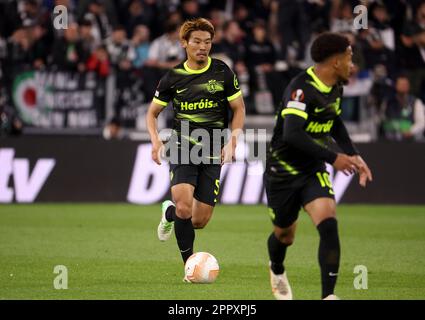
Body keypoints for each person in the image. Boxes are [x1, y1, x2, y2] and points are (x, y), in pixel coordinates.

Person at [263, 32, 373, 300]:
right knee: (285, 235)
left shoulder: (336, 86)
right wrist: (334, 158)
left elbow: (333, 120)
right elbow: (292, 133)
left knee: (328, 223)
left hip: (313, 170)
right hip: (283, 171)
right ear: (335, 62)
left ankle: (328, 296)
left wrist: (353, 154)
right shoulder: (301, 88)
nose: (353, 64)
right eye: (349, 58)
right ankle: (276, 268)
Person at [146, 18, 245, 281]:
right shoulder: (173, 77)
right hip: (182, 147)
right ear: (184, 44)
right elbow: (152, 113)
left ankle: (168, 213)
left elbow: (239, 109)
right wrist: (156, 141)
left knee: (199, 220)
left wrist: (233, 140)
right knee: (184, 207)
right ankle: (189, 267)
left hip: (213, 150)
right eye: (197, 42)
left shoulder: (223, 72)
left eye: (208, 42)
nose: (203, 46)